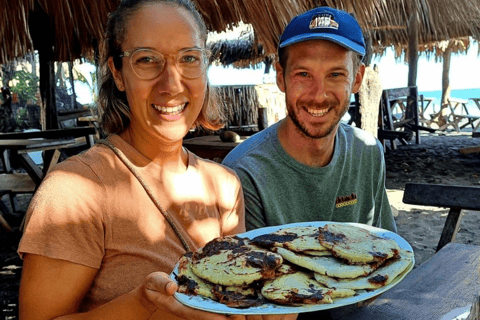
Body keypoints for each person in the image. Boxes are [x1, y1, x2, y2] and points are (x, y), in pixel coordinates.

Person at [17, 1, 296, 319]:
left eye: (189, 58)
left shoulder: (224, 185)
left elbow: (234, 296)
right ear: (118, 73)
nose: (171, 84)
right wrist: (142, 307)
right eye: (147, 60)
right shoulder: (75, 191)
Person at [222, 7, 397, 233]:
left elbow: (385, 247)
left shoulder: (368, 153)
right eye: (303, 74)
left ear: (357, 79)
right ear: (280, 78)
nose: (318, 95)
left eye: (335, 75)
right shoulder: (244, 172)